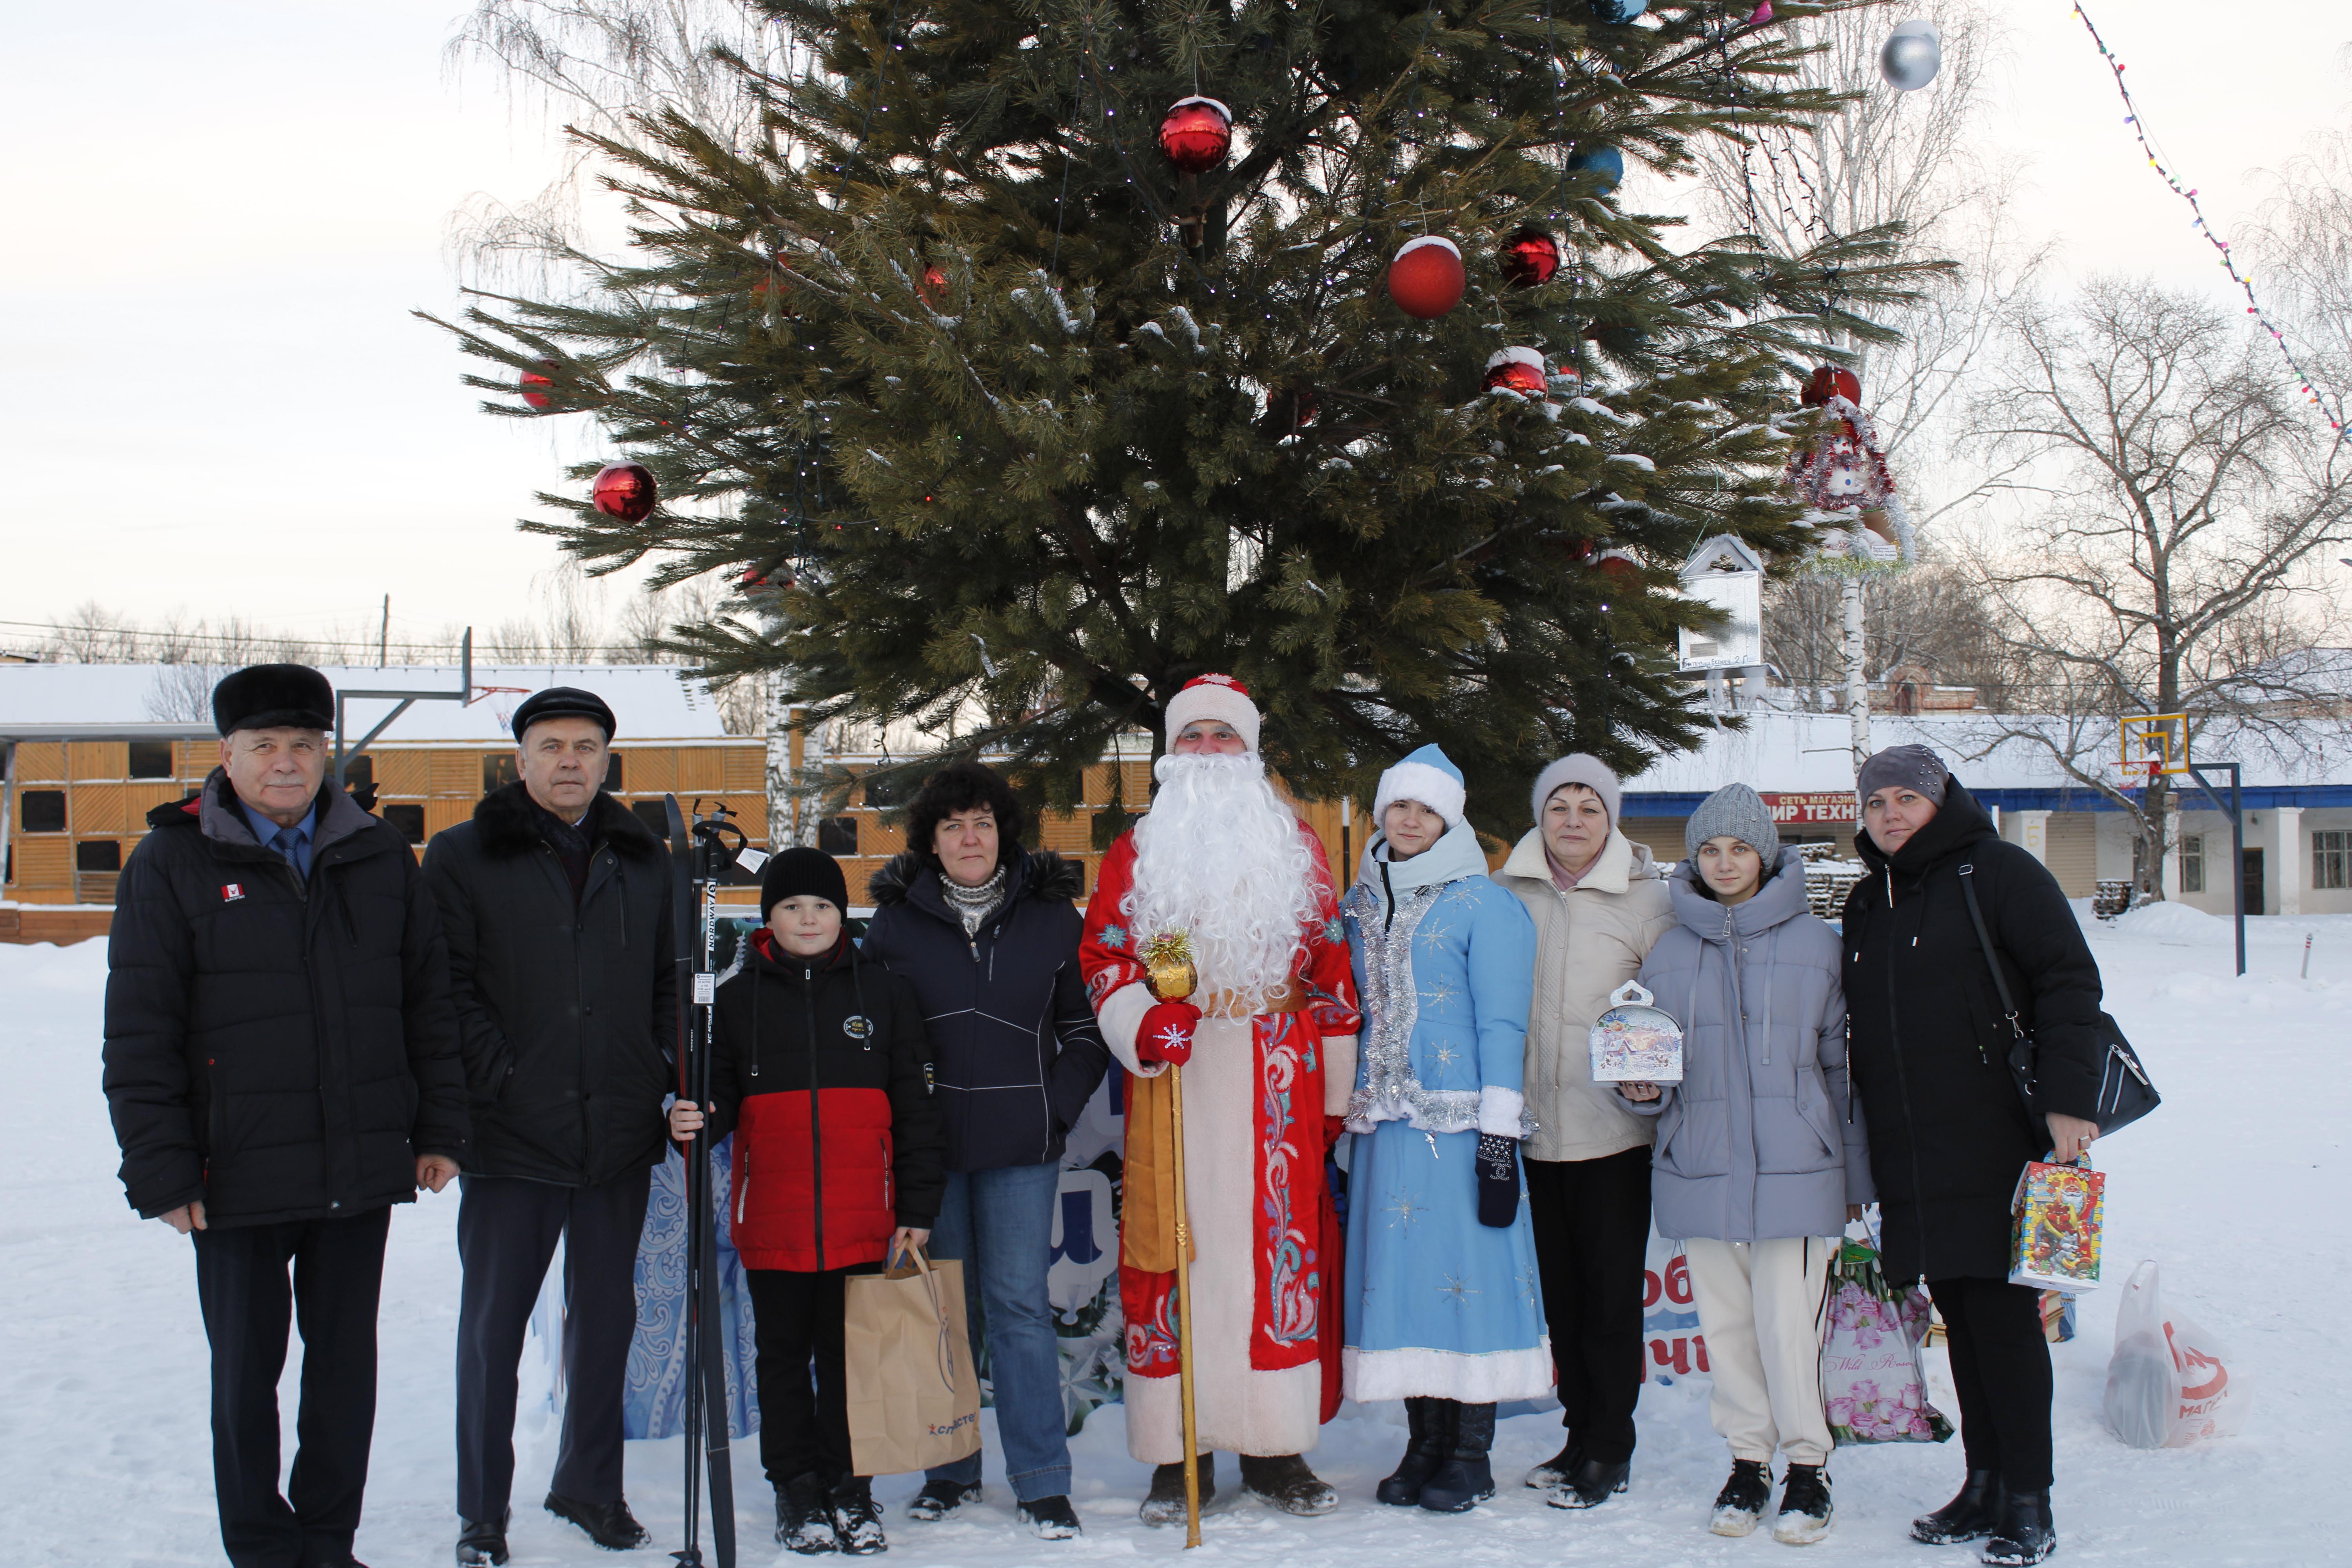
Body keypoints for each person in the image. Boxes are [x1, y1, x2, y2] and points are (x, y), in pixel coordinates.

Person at [102, 663, 470, 1568]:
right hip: (235, 1170)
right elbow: (139, 1029)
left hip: (358, 1161)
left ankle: (328, 1540)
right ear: (226, 753)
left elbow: (429, 1000)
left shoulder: (379, 854)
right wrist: (161, 1165)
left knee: (345, 1370)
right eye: (263, 744)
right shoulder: (172, 861)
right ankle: (265, 1548)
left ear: (326, 753)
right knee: (246, 1377)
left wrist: (441, 1128)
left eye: (303, 744)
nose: (284, 762)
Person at [1078, 674, 1362, 1524]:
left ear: (1251, 750)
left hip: (1279, 1078)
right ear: (1171, 751)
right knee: (1177, 1251)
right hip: (1182, 1078)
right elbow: (1111, 951)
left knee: (1279, 1254)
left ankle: (1276, 1446)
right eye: (1193, 735)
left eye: (1224, 736)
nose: (1208, 750)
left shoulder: (1295, 846)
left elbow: (1330, 970)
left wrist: (1335, 1098)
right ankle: (1180, 1451)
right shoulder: (1145, 850)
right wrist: (1143, 1016)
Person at [422, 686, 677, 1564]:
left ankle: (589, 1484)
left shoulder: (646, 857)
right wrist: (504, 1077)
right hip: (509, 1134)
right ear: (519, 757)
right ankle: (482, 1509)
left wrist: (657, 1070)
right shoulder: (461, 856)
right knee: (494, 1330)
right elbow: (444, 988)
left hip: (616, 1130)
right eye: (551, 744)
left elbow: (665, 986)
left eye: (586, 745)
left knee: (606, 1318)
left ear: (608, 758)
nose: (570, 759)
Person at [1840, 745, 2106, 1568]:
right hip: (1913, 1146)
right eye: (1877, 799)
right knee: (1959, 1314)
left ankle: (2030, 1496)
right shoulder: (1868, 898)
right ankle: (1983, 1481)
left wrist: (2071, 1100)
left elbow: (2069, 981)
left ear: (1941, 798)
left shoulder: (1998, 872)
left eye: (1907, 798)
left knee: (2002, 1319)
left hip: (1996, 1136)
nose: (1890, 812)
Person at [669, 847, 945, 1557]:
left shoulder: (883, 992)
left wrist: (916, 1204)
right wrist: (695, 1116)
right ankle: (796, 1488)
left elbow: (916, 1108)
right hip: (776, 1218)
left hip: (865, 1220)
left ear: (841, 915)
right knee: (783, 1357)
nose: (808, 918)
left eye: (822, 906)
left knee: (851, 1359)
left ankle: (850, 1489)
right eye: (792, 907)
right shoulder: (735, 1000)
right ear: (770, 919)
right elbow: (721, 1103)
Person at [1617, 783, 1872, 1544]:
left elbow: (1841, 1072)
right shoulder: (1668, 948)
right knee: (1726, 1328)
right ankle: (1747, 1459)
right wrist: (1641, 1090)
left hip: (1798, 1169)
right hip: (1699, 1164)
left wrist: (1853, 1176)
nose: (1725, 862)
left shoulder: (1817, 944)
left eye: (1739, 847)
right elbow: (1652, 1069)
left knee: (1789, 1326)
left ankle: (1807, 1464)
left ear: (1766, 852)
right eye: (1709, 849)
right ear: (1693, 858)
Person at [861, 761, 1109, 1540]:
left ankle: (1040, 1479)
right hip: (930, 1151)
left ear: (1003, 834)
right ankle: (950, 1469)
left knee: (1018, 1308)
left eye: (983, 823)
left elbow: (1083, 1028)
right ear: (931, 841)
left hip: (1020, 1148)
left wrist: (1055, 1108)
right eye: (952, 825)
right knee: (945, 1311)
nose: (970, 837)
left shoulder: (1051, 918)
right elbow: (877, 1036)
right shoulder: (896, 925)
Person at [1339, 745, 1547, 1514]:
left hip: (1462, 1129)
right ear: (1383, 812)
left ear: (1449, 817)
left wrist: (1498, 1134)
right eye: (1399, 805)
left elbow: (1502, 1020)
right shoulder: (1357, 905)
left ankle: (1468, 1450)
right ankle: (1423, 1441)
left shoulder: (1483, 904)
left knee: (1468, 1285)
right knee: (1405, 1288)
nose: (1410, 819)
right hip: (1386, 1131)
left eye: (1426, 808)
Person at [1492, 753, 1674, 1509]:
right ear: (1541, 816)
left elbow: (1670, 1006)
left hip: (1612, 1134)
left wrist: (1653, 1075)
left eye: (1589, 808)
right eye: (1560, 805)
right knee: (1560, 1299)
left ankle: (1611, 1446)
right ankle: (1577, 1434)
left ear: (1612, 819)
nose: (1573, 820)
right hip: (1532, 1130)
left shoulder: (1648, 899)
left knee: (1607, 1299)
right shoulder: (1505, 893)